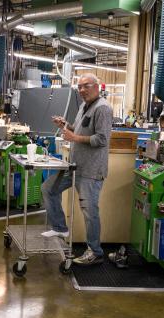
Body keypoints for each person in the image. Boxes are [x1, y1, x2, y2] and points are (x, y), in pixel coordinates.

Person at [41, 73, 112, 266]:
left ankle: (95, 252)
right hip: (74, 166)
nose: (81, 90)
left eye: (85, 86)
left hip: (91, 170)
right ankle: (59, 227)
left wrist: (74, 138)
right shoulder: (83, 106)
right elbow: (79, 131)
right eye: (79, 87)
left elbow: (102, 139)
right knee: (48, 188)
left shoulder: (103, 108)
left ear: (96, 86)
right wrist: (65, 125)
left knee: (90, 212)